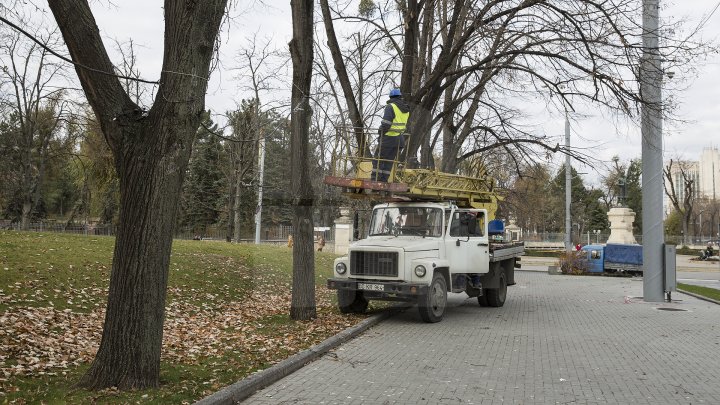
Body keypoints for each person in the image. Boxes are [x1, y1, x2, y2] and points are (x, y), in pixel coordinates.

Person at [373, 88, 410, 182]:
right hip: (400, 139)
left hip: (389, 137)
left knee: (378, 159)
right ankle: (384, 181)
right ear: (400, 97)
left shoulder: (391, 106)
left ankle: (375, 181)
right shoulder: (406, 109)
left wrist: (381, 132)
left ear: (390, 97)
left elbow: (386, 124)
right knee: (389, 161)